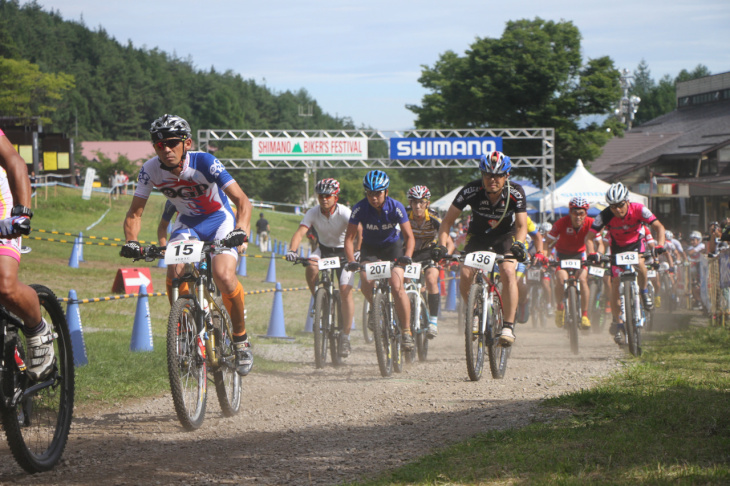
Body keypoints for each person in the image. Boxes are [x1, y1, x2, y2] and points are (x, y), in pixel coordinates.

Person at [121, 114, 254, 376]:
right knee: (175, 271)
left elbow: (242, 201)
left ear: (187, 143)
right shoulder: (149, 170)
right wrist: (131, 242)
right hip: (187, 224)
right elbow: (135, 213)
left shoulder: (205, 162)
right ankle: (184, 336)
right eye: (159, 145)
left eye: (172, 142)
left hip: (219, 221)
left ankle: (240, 340)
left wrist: (241, 231)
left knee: (224, 275)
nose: (166, 149)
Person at [437, 151, 529, 346]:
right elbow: (446, 223)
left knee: (508, 271)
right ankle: (475, 312)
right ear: (481, 175)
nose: (492, 179)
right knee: (465, 273)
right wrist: (441, 247)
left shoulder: (516, 192)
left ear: (507, 176)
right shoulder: (470, 190)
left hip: (505, 237)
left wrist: (519, 245)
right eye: (487, 174)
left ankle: (508, 326)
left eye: (497, 175)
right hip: (477, 237)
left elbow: (522, 226)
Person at [0, 128, 53, 381]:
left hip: (1, 202)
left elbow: (14, 161)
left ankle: (37, 329)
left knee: (5, 286)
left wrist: (21, 213)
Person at [344, 170, 416, 351]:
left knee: (396, 284)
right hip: (370, 249)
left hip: (393, 248)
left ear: (386, 192)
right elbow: (349, 238)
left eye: (377, 193)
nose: (373, 198)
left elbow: (409, 236)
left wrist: (407, 256)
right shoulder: (359, 208)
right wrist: (352, 260)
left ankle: (406, 331)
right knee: (366, 281)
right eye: (369, 193)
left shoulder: (396, 207)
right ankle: (375, 308)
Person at [285, 178, 358, 357]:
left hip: (344, 253)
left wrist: (357, 252)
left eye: (328, 196)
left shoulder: (344, 212)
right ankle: (318, 299)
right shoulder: (313, 212)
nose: (324, 199)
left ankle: (346, 337)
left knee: (344, 291)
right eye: (320, 196)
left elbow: (359, 230)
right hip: (324, 250)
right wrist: (292, 250)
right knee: (310, 266)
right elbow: (300, 231)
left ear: (336, 197)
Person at [586, 182, 666, 344]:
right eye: (613, 206)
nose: (617, 210)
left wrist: (660, 245)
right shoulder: (605, 215)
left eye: (620, 205)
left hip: (636, 245)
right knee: (615, 285)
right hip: (618, 249)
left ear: (627, 201)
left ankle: (643, 292)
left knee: (642, 266)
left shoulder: (639, 209)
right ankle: (618, 322)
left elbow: (659, 227)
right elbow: (589, 237)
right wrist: (592, 254)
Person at [406, 185, 454, 338]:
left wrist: (445, 257)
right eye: (414, 202)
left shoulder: (434, 218)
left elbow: (450, 243)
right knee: (404, 282)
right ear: (410, 203)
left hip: (429, 253)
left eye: (421, 202)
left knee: (432, 279)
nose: (417, 206)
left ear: (427, 203)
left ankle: (433, 321)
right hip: (410, 253)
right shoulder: (405, 216)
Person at [547, 196, 601, 329]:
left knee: (582, 280)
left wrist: (598, 255)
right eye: (574, 213)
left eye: (581, 213)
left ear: (586, 213)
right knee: (560, 280)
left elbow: (599, 243)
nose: (578, 216)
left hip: (580, 255)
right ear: (570, 212)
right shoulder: (560, 223)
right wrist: (545, 256)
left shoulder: (591, 222)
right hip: (562, 255)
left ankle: (584, 315)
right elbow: (547, 243)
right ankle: (560, 308)